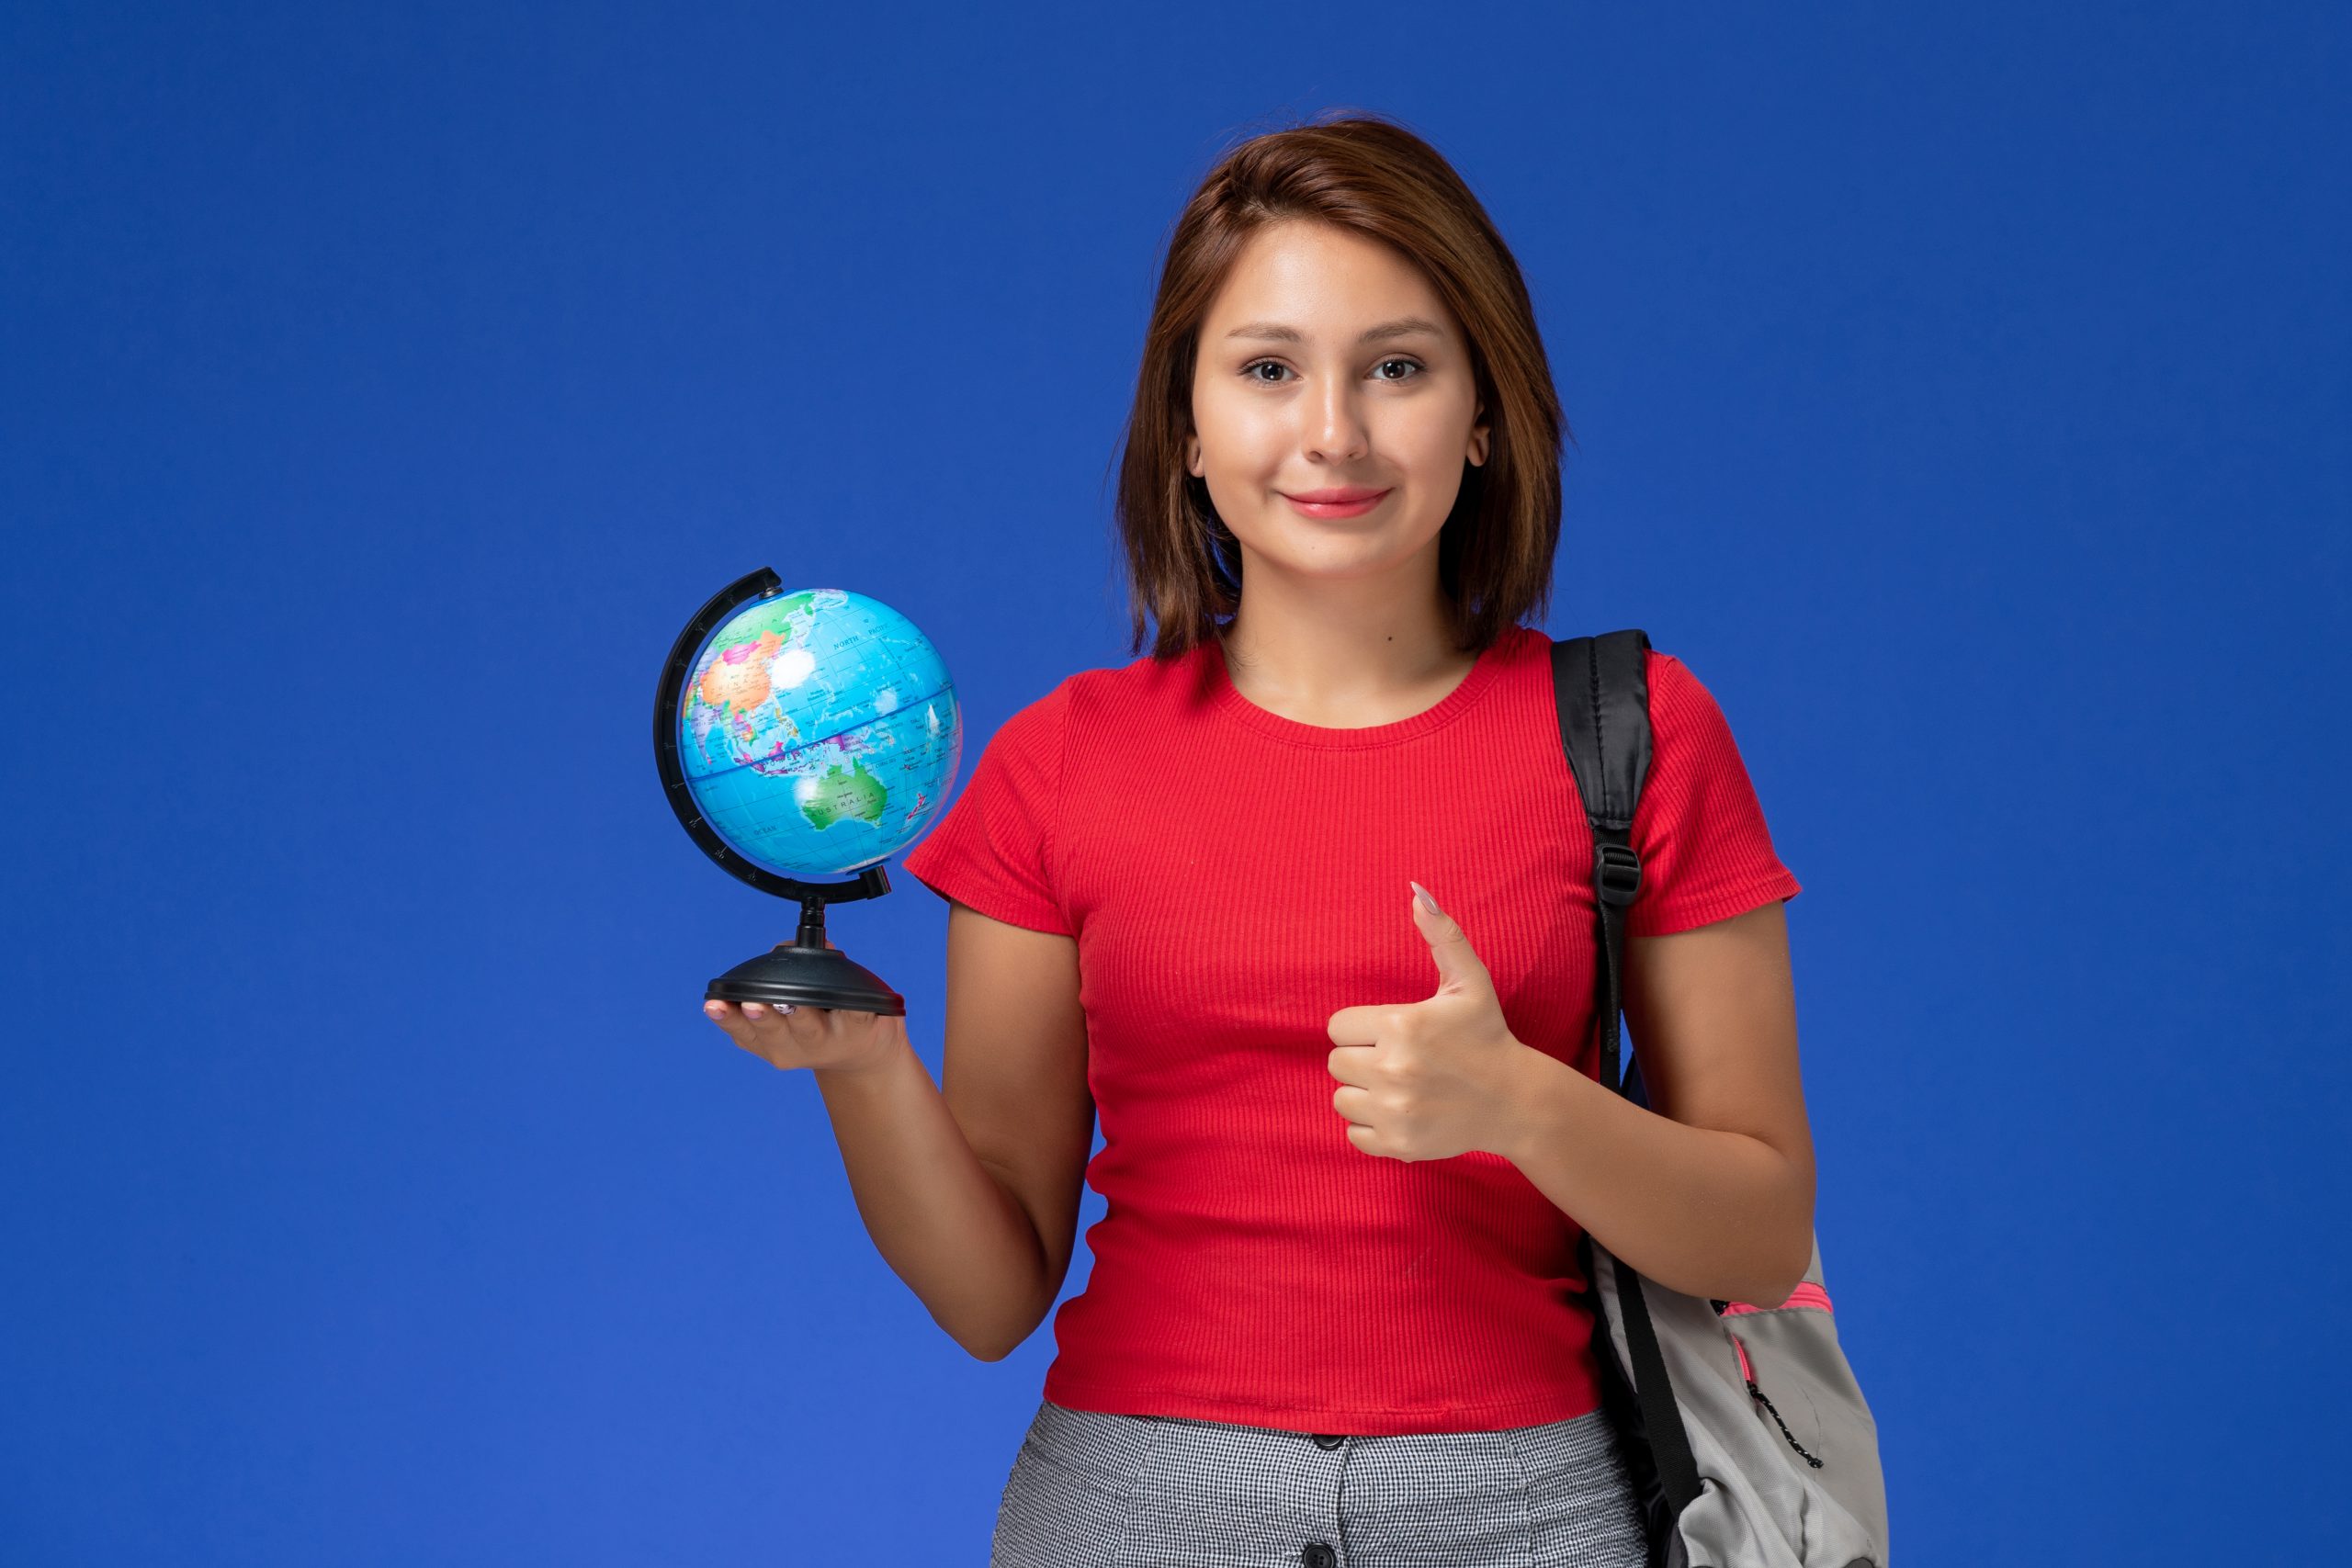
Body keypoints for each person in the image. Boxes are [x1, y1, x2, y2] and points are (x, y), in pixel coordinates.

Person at [702, 109, 1816, 1568]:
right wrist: (863, 1072)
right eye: (1269, 369)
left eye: (1398, 368)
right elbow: (990, 1301)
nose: (1332, 432)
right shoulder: (1062, 767)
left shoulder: (1637, 732)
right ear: (1187, 425)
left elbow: (1759, 1233)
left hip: (1532, 1515)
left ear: (1485, 416)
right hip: (1134, 1511)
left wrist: (1520, 1103)